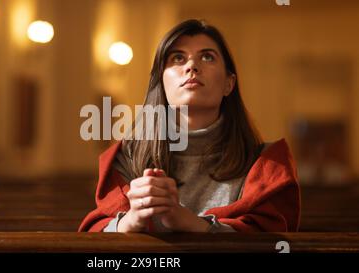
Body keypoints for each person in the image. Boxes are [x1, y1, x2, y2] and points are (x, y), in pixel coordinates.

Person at [78, 19, 300, 233]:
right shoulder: (126, 157)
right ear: (162, 83)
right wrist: (131, 219)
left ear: (228, 84)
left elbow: (271, 238)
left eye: (207, 57)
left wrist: (187, 221)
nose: (192, 65)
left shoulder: (265, 163)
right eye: (177, 58)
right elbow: (97, 234)